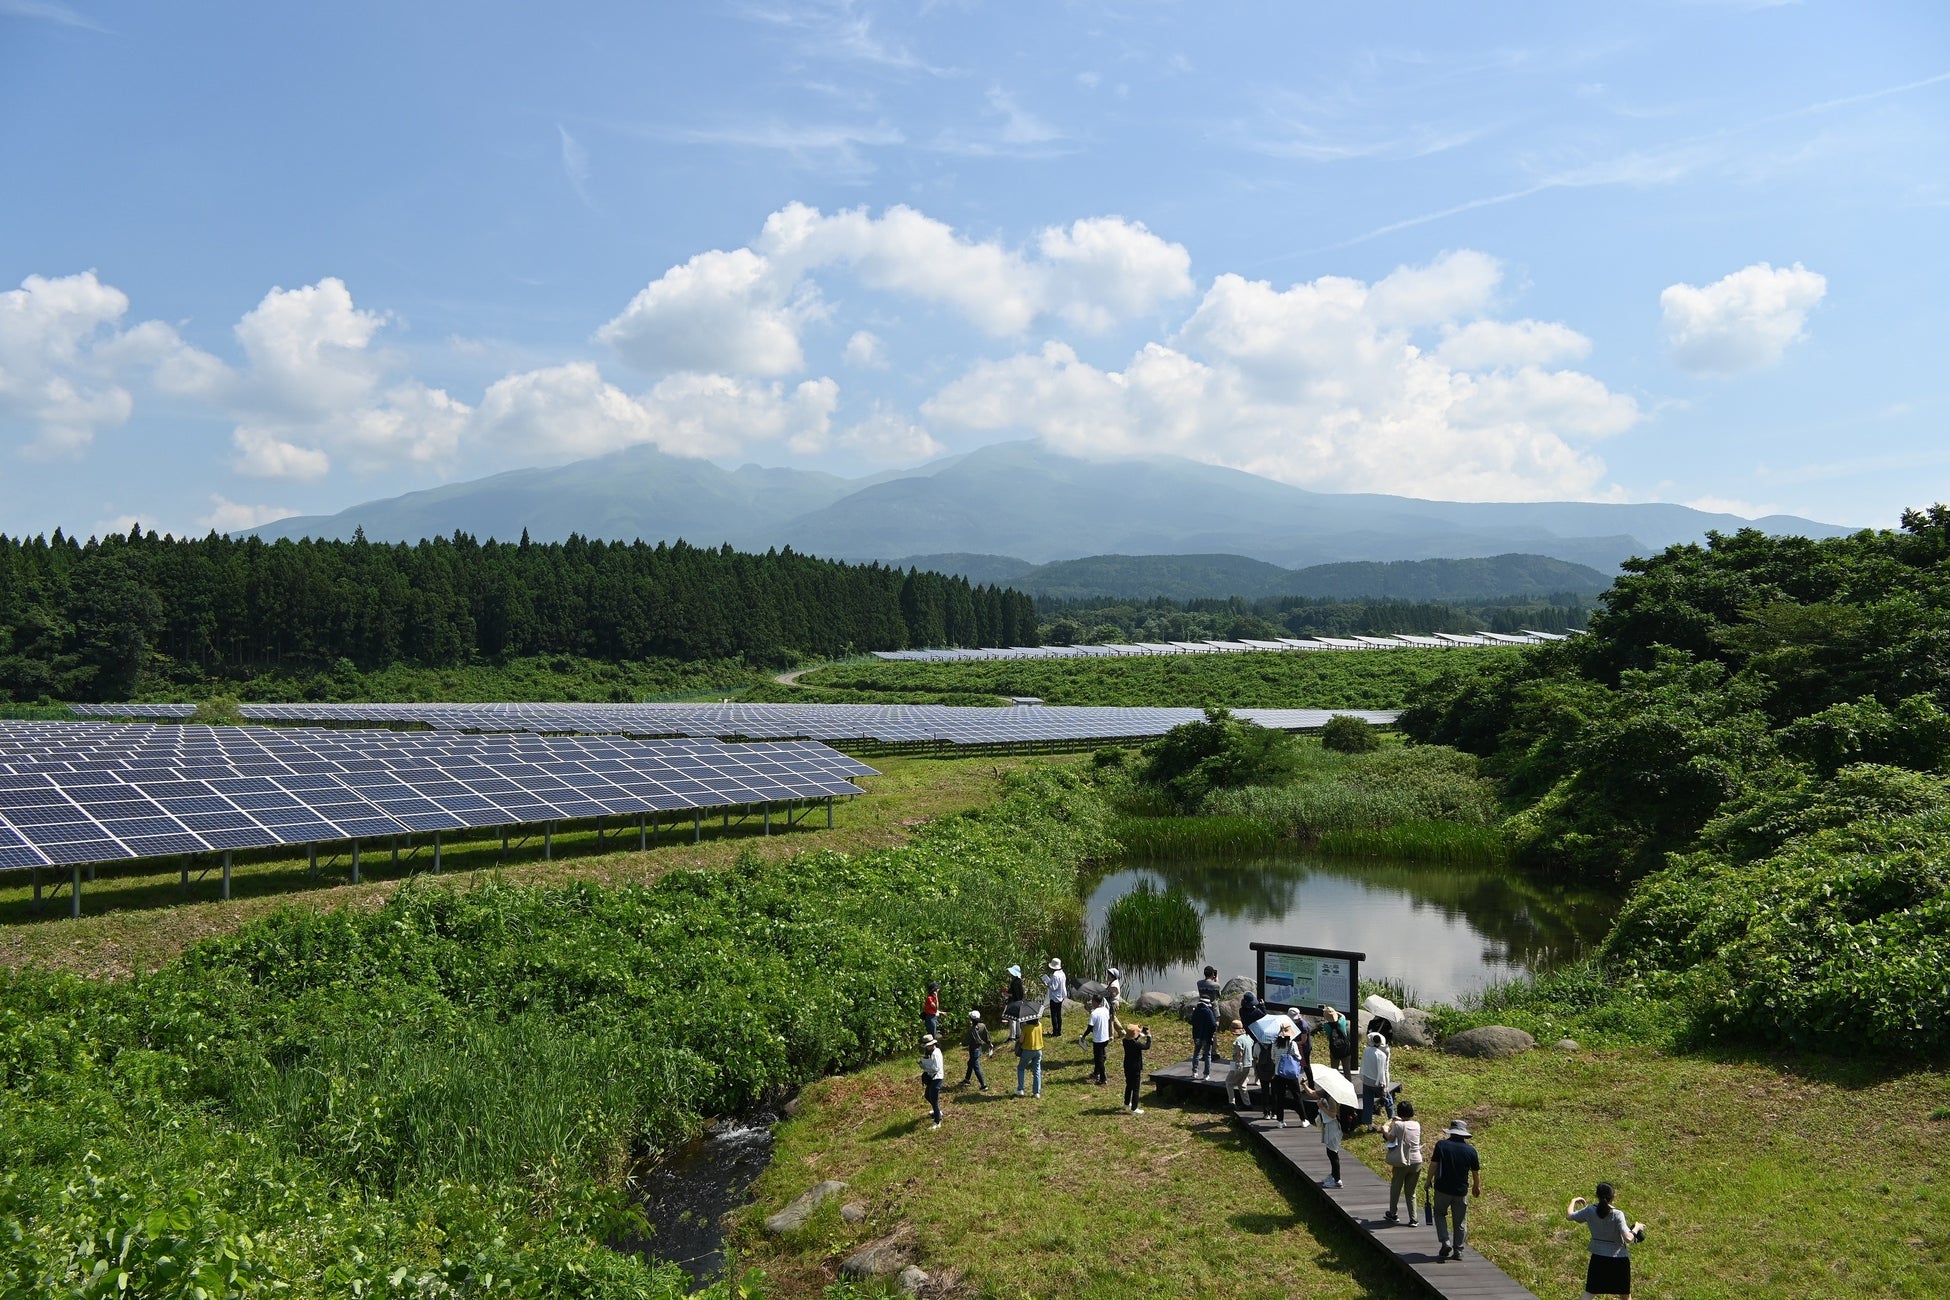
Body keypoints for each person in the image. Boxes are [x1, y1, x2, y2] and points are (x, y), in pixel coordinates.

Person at [1569, 1182, 1646, 1297]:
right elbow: (1629, 1238)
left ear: (1597, 1195)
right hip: (1618, 1260)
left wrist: (1573, 1201)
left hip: (1598, 1258)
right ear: (1613, 1196)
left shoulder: (1589, 1210)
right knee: (1625, 1295)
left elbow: (1570, 1216)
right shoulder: (1617, 1214)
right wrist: (1637, 1227)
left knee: (1590, 1292)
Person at [1430, 1119, 1482, 1262]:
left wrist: (1428, 1181)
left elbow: (1434, 1165)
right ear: (1464, 1134)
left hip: (1442, 1188)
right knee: (1460, 1222)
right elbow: (1476, 1171)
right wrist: (1477, 1186)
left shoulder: (1441, 1145)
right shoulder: (1471, 1150)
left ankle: (1445, 1241)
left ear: (1451, 1132)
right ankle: (1458, 1250)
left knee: (1439, 1213)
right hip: (1461, 1191)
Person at [1382, 1099, 1424, 1225]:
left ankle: (1393, 1213)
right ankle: (1414, 1218)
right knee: (1411, 1191)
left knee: (1396, 1187)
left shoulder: (1399, 1125)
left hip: (1402, 1160)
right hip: (1417, 1161)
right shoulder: (1417, 1124)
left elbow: (1390, 1137)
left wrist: (1386, 1126)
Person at [1300, 1077, 1344, 1187]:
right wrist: (1304, 1085)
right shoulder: (1325, 1093)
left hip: (1333, 1127)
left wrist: (1321, 1107)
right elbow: (1313, 1093)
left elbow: (1333, 1114)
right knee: (1329, 1152)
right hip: (1327, 1126)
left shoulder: (1332, 1098)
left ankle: (1337, 1180)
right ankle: (1333, 1175)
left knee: (1333, 1153)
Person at [1270, 1027, 1308, 1129]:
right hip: (1290, 1074)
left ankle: (1280, 1121)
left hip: (1278, 1073)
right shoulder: (1292, 1043)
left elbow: (1272, 1058)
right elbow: (1298, 1056)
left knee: (1280, 1098)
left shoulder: (1274, 1044)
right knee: (1297, 1096)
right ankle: (1303, 1120)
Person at [1360, 1030, 1394, 1126]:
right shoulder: (1382, 1055)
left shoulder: (1366, 1050)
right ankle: (1392, 1121)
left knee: (1367, 1103)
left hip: (1366, 1080)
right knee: (1388, 1101)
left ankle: (1369, 1125)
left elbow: (1369, 1036)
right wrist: (1385, 1086)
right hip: (1377, 1082)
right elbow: (1383, 1071)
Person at [1224, 1018, 1256, 1108]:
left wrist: (1237, 1065)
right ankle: (1247, 1104)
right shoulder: (1248, 1038)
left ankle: (1232, 1103)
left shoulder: (1238, 1041)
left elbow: (1239, 1054)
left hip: (1239, 1064)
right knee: (1242, 1084)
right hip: (1248, 1064)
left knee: (1229, 1082)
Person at [1121, 1022, 1152, 1113]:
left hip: (1127, 1066)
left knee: (1129, 1085)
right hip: (1135, 1068)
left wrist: (1141, 1035)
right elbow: (1147, 1046)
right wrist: (1149, 1036)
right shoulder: (1136, 1044)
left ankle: (1126, 1103)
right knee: (1136, 1088)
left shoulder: (1125, 1041)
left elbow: (1133, 1038)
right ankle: (1134, 1108)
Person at [1015, 1011, 1045, 1097]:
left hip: (1028, 1050)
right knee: (1037, 1070)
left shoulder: (1025, 1028)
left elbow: (1021, 1040)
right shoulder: (1039, 1025)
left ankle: (1020, 1089)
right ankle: (1036, 1092)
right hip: (1038, 1050)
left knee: (1021, 1068)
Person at [961, 1010, 993, 1091]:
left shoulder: (971, 1029)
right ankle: (967, 1080)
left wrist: (963, 1043)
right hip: (979, 1049)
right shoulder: (982, 1025)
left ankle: (983, 1085)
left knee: (976, 1066)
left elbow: (965, 1042)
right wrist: (990, 1043)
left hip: (973, 1050)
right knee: (970, 1063)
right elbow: (986, 1036)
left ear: (971, 1019)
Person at [1189, 995, 1219, 1080]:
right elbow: (1213, 1024)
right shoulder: (1208, 1012)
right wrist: (1212, 1031)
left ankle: (1194, 1072)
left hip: (1197, 1036)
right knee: (1207, 1055)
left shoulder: (1196, 1011)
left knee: (1196, 1053)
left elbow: (1191, 1021)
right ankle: (1206, 1074)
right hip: (1207, 1036)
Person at [919, 1035, 945, 1129]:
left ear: (932, 1044)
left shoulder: (936, 1053)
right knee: (927, 1095)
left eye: (928, 1045)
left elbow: (936, 1068)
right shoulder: (931, 1052)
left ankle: (937, 1122)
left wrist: (925, 1067)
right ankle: (937, 1111)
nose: (926, 1047)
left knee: (934, 1100)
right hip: (932, 1077)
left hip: (936, 1078)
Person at [1087, 995, 1112, 1085]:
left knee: (1099, 1059)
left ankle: (1103, 1078)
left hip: (1098, 1040)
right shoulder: (1105, 1010)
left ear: (1095, 1002)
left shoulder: (1094, 1013)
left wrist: (1083, 1036)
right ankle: (1096, 1073)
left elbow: (1090, 1027)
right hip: (1105, 1038)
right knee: (1099, 1057)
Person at [1321, 1004, 1352, 1073]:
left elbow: (1326, 1022)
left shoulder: (1326, 1026)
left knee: (1334, 1071)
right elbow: (1343, 1016)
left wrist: (1328, 1015)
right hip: (1346, 1049)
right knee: (1347, 1071)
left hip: (1334, 1050)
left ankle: (1335, 1083)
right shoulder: (1341, 1022)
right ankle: (1348, 1083)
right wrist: (1335, 1012)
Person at [1045, 958, 1067, 1038]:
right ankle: (1059, 1031)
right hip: (1061, 996)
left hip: (1055, 997)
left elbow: (1054, 987)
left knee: (1054, 1015)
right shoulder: (1062, 973)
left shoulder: (1055, 975)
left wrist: (1047, 985)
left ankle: (1055, 1032)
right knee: (1059, 1015)